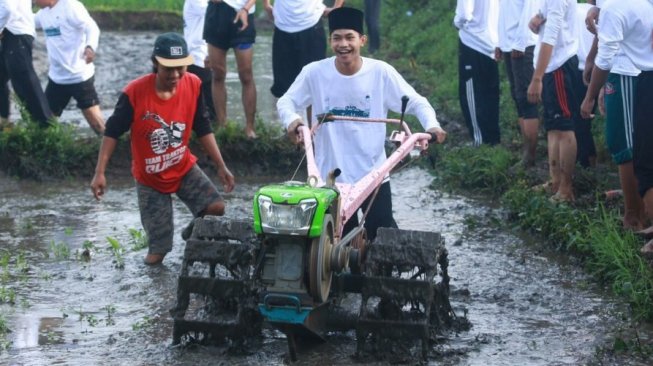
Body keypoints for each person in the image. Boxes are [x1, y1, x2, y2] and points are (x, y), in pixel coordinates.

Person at [277, 7, 447, 240]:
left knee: (381, 240)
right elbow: (287, 101)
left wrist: (432, 127)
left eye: (349, 37)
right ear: (330, 41)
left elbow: (417, 102)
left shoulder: (381, 73)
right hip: (329, 178)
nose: (343, 44)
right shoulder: (314, 73)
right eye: (337, 38)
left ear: (362, 40)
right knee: (333, 244)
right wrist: (294, 121)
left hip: (373, 175)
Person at [90, 33, 235, 265]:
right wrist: (100, 172)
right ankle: (153, 288)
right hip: (151, 178)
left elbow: (203, 126)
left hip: (182, 166)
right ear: (155, 63)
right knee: (159, 251)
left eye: (181, 68)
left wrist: (221, 165)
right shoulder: (134, 94)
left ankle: (192, 234)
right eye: (169, 69)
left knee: (215, 207)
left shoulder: (194, 84)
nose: (176, 75)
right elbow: (112, 132)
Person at [580, 0, 653, 252]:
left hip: (631, 70)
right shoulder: (610, 8)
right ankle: (634, 213)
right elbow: (606, 23)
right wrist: (592, 55)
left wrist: (591, 93)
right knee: (621, 142)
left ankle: (635, 216)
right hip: (617, 66)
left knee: (630, 148)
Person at [527, 0, 580, 203]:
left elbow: (551, 37)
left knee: (564, 128)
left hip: (558, 65)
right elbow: (550, 17)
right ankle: (555, 181)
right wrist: (538, 18)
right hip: (550, 66)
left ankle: (566, 189)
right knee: (552, 127)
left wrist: (537, 77)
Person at [34, 0, 105, 135]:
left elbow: (91, 27)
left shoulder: (70, 6)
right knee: (46, 123)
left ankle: (113, 150)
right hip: (57, 78)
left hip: (79, 76)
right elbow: (26, 21)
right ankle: (50, 151)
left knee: (96, 122)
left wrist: (90, 47)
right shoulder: (43, 13)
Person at [263, 0, 344, 99]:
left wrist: (337, 7)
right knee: (284, 92)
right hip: (282, 24)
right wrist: (266, 4)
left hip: (311, 22)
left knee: (315, 88)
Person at [204, 0, 257, 139]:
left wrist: (246, 9)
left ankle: (250, 127)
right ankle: (222, 125)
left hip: (242, 13)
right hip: (216, 14)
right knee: (218, 74)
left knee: (246, 75)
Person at [496, 0, 540, 166]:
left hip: (524, 44)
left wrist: (520, 43)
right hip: (509, 44)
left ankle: (530, 156)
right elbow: (504, 12)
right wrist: (500, 43)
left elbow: (531, 8)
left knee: (526, 98)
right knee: (517, 97)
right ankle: (525, 152)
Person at [454, 0, 500, 146]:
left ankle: (480, 141)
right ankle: (493, 138)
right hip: (492, 42)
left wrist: (457, 22)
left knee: (471, 93)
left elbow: (463, 13)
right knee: (490, 93)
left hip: (473, 42)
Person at [0, 0, 53, 127]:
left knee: (24, 80)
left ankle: (46, 126)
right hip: (9, 31)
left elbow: (8, 7)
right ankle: (4, 121)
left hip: (16, 32)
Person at [183, 0, 216, 123]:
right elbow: (212, 10)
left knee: (205, 98)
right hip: (197, 54)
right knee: (205, 98)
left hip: (201, 52)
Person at [573, 2, 597, 169]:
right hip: (597, 70)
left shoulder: (574, 10)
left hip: (577, 69)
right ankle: (589, 162)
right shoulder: (602, 12)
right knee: (584, 121)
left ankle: (584, 164)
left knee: (577, 120)